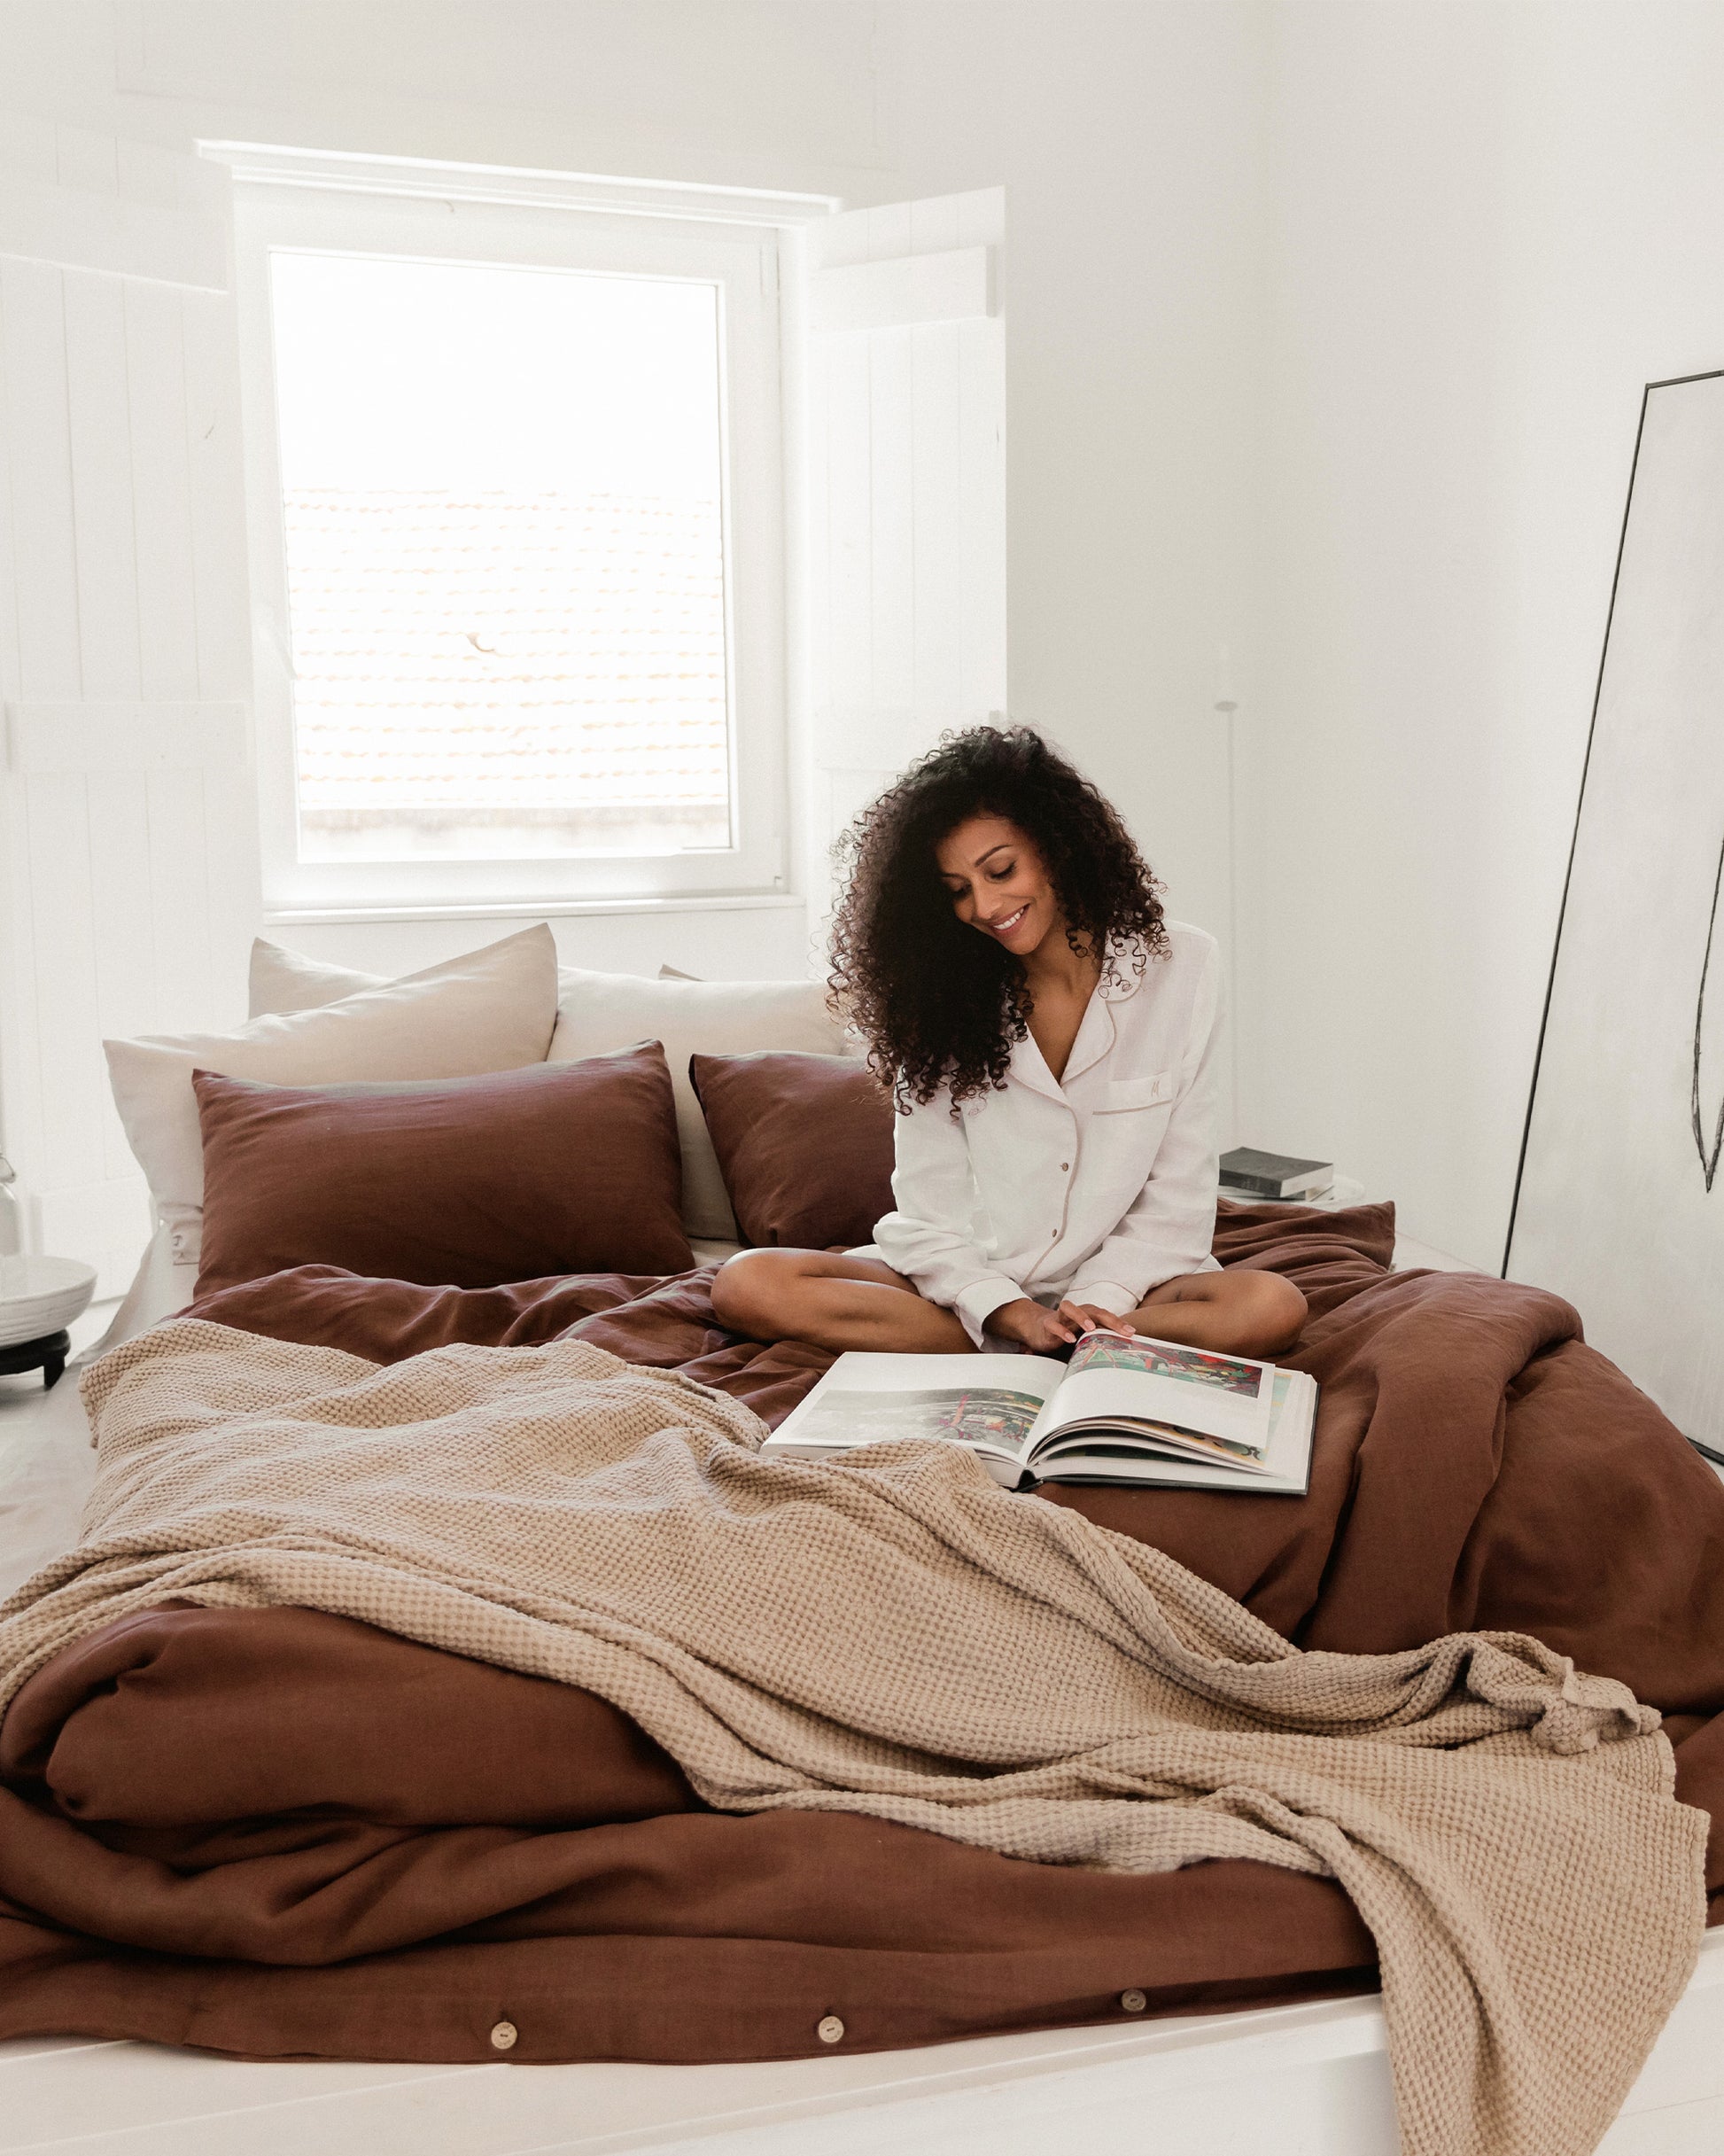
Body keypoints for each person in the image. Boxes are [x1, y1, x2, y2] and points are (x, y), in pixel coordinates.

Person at [711, 726, 1307, 1360]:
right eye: (958, 890)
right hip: (969, 1288)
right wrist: (1007, 1307)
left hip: (1128, 1290)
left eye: (1000, 869)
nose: (986, 905)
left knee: (1273, 1305)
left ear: (1055, 846)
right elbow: (928, 1213)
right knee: (749, 1283)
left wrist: (1104, 1294)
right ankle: (1035, 1343)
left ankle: (1075, 1336)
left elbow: (1176, 1199)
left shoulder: (1182, 966)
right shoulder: (937, 1003)